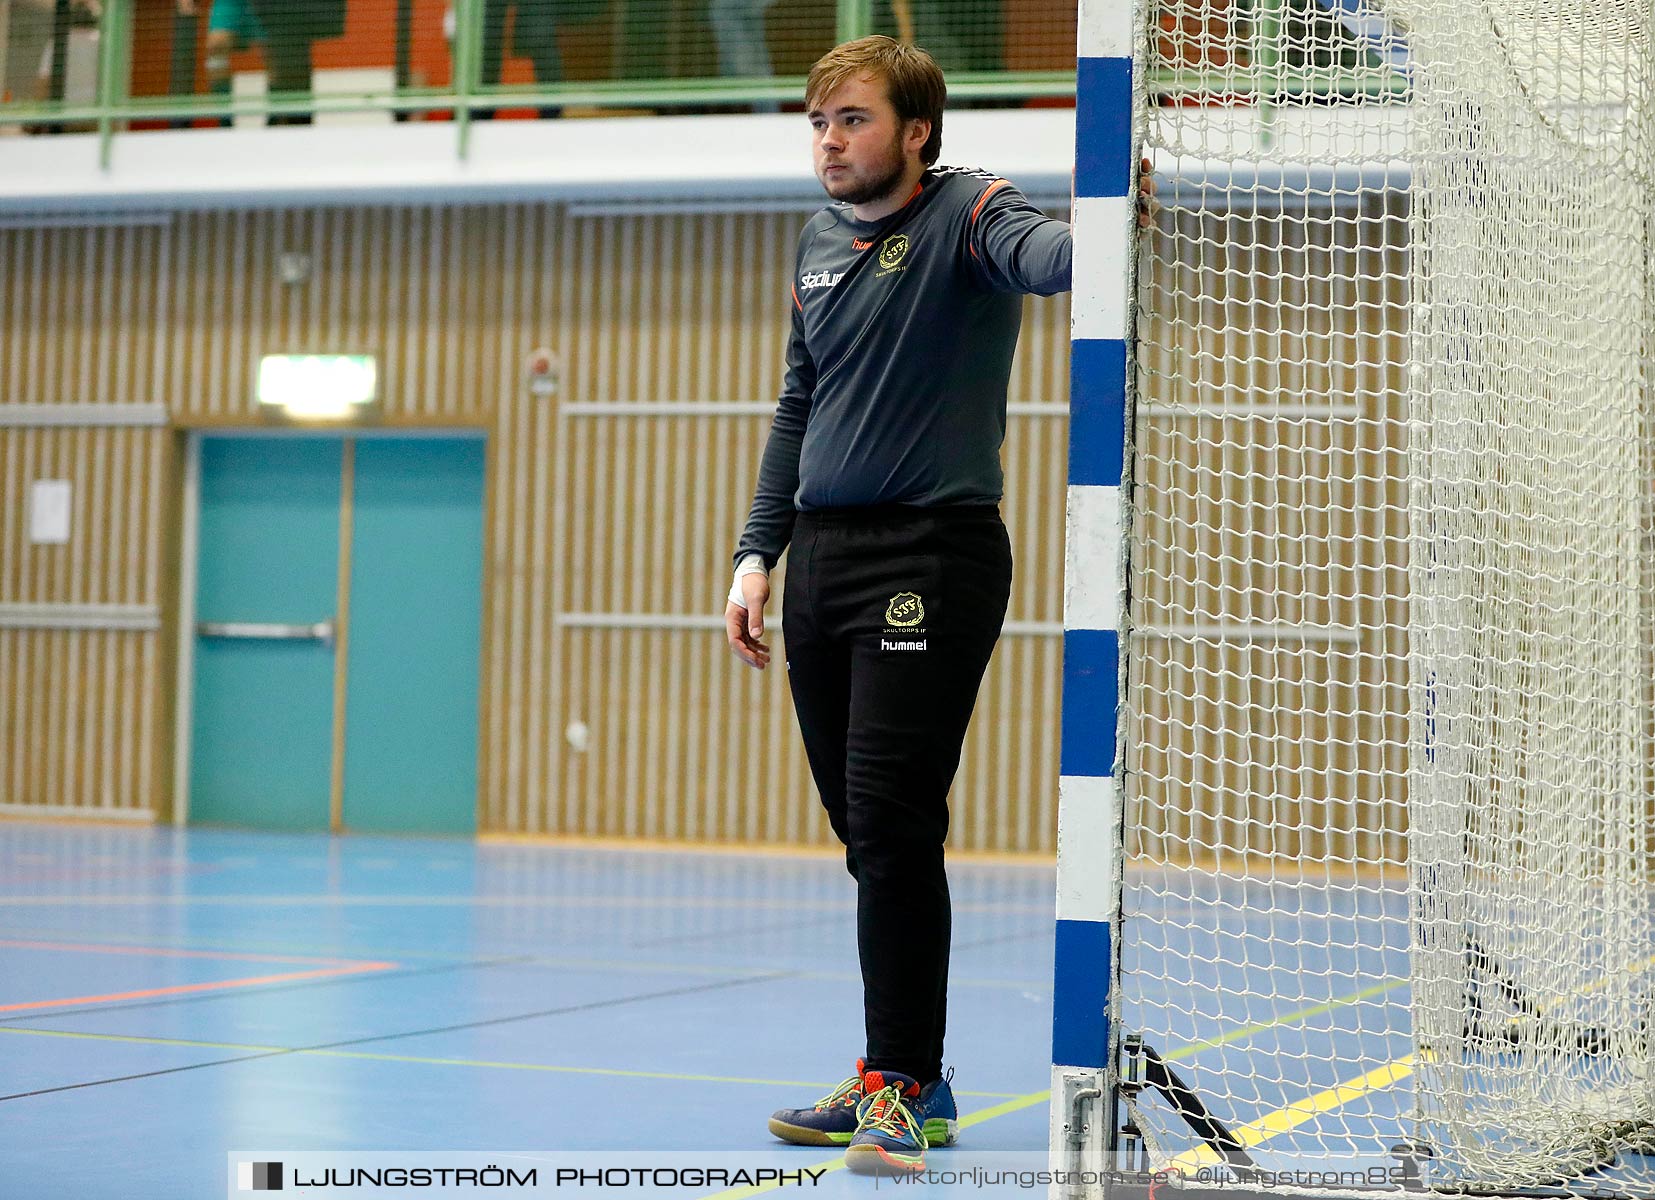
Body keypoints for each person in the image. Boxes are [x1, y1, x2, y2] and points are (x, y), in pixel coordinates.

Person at [723, 34, 1071, 1178]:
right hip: (820, 555)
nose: (829, 142)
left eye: (852, 120)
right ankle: (903, 1076)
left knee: (888, 816)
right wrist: (754, 553)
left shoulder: (971, 210)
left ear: (914, 130)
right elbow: (796, 404)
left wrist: (1108, 225)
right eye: (819, 123)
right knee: (863, 833)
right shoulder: (817, 242)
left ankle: (900, 1083)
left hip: (932, 550)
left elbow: (1045, 259)